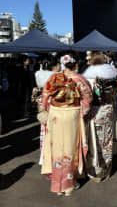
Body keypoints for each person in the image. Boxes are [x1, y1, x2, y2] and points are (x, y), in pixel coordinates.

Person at [41, 53, 93, 196]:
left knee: (57, 148)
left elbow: (45, 96)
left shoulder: (53, 78)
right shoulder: (79, 79)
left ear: (62, 64)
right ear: (74, 64)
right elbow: (88, 96)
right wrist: (83, 111)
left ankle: (58, 184)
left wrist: (48, 110)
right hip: (72, 114)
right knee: (71, 147)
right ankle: (69, 184)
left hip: (56, 114)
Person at [83, 52, 117, 182]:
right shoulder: (111, 75)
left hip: (94, 111)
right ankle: (107, 169)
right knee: (107, 140)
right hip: (108, 109)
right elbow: (115, 94)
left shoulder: (88, 78)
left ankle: (95, 171)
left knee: (94, 140)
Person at [33, 57, 60, 168]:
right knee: (56, 138)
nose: (60, 66)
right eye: (58, 64)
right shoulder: (56, 79)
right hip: (55, 111)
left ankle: (46, 161)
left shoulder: (40, 81)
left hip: (43, 111)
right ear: (54, 66)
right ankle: (55, 161)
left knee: (45, 136)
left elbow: (35, 97)